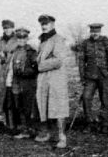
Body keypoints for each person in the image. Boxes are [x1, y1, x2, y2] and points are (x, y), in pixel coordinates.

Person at [78, 23, 108, 133]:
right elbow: (81, 62)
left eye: (96, 32)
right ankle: (89, 123)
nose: (94, 34)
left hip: (104, 76)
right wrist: (82, 77)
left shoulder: (106, 41)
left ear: (100, 32)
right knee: (86, 98)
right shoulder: (85, 43)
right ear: (90, 32)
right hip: (90, 77)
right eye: (92, 32)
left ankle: (104, 124)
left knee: (105, 100)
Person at [34, 15, 68, 148]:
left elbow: (59, 60)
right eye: (42, 24)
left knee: (58, 107)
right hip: (43, 78)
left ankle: (62, 137)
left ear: (53, 24)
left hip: (56, 78)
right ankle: (47, 133)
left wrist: (40, 65)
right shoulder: (42, 40)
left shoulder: (58, 39)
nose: (44, 26)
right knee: (44, 104)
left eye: (46, 23)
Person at [1, 27, 39, 139]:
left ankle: (31, 129)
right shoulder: (14, 51)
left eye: (23, 38)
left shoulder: (31, 51)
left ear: (27, 39)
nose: (21, 40)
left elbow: (36, 68)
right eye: (19, 38)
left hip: (28, 84)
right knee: (19, 107)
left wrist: (25, 72)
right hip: (15, 83)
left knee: (28, 107)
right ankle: (24, 130)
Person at [0, 19, 19, 127]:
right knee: (3, 96)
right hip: (2, 72)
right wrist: (0, 56)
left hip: (14, 71)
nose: (7, 30)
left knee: (14, 96)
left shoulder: (18, 40)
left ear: (13, 28)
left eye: (9, 28)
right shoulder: (0, 42)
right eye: (5, 28)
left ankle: (15, 122)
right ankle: (6, 120)